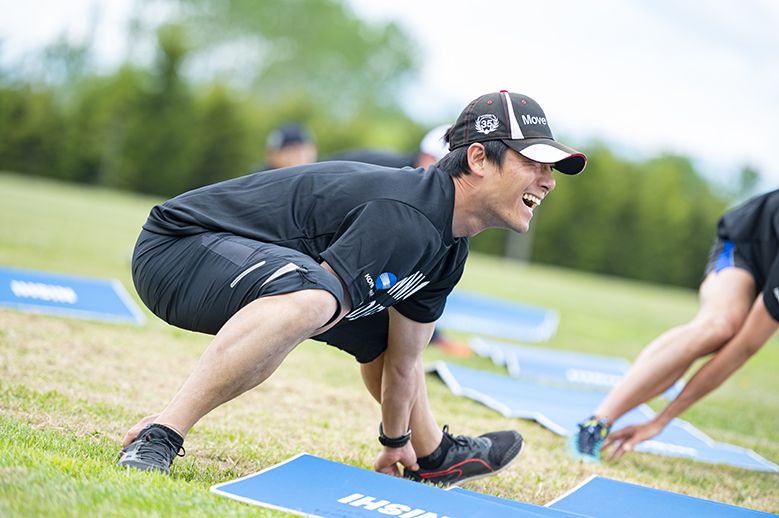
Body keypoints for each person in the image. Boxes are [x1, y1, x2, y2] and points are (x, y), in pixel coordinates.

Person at [118, 90, 587, 486]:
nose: (548, 181)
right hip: (177, 249)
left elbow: (402, 360)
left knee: (377, 330)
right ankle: (162, 431)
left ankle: (432, 455)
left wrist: (395, 441)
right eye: (534, 163)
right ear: (480, 158)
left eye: (551, 169)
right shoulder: (405, 214)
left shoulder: (449, 248)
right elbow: (312, 305)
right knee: (315, 300)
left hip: (242, 266)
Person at [572, 189, 779, 462]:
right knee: (720, 326)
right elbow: (742, 348)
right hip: (744, 246)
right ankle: (596, 422)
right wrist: (660, 420)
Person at [327, 124, 473, 358]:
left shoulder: (431, 207)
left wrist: (436, 338)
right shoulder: (387, 176)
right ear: (427, 156)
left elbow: (415, 289)